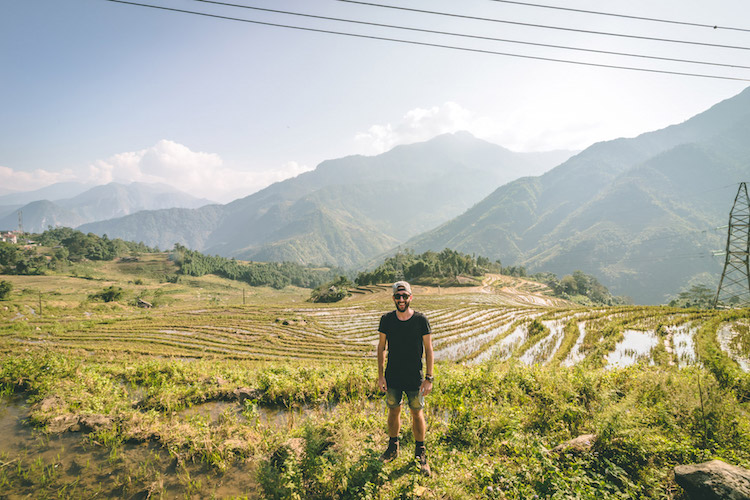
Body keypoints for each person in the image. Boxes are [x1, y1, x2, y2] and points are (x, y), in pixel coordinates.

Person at [377, 280, 434, 476]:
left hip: (415, 377)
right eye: (397, 296)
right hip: (393, 376)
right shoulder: (386, 319)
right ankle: (393, 447)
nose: (401, 300)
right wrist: (380, 375)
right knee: (393, 411)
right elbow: (381, 348)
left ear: (410, 297)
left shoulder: (420, 320)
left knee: (417, 413)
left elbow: (429, 349)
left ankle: (420, 453)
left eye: (405, 296)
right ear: (393, 298)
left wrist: (429, 378)